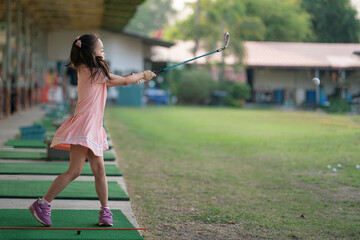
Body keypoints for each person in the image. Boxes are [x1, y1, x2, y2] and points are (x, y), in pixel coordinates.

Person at [29, 33, 156, 227]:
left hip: (92, 127)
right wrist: (142, 75)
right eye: (102, 49)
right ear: (91, 51)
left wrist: (138, 77)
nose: (104, 52)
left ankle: (105, 211)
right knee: (74, 171)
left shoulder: (91, 69)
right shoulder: (93, 70)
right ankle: (42, 204)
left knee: (99, 169)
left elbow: (117, 79)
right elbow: (120, 81)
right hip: (85, 126)